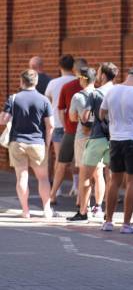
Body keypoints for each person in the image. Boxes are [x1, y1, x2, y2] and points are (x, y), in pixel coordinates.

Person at [100, 67, 133, 233]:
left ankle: (108, 221)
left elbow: (101, 114)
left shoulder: (112, 90)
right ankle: (127, 224)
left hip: (115, 140)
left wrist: (115, 120)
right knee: (132, 181)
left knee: (114, 180)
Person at [0, 70, 54, 218]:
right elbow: (51, 125)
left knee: (22, 177)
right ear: (36, 82)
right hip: (38, 142)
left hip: (17, 142)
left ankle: (25, 211)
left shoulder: (14, 98)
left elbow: (3, 120)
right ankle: (47, 209)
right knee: (43, 178)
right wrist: (47, 144)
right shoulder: (44, 100)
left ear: (21, 81)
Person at [77, 62, 118, 220]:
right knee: (110, 177)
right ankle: (107, 213)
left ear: (103, 75)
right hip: (114, 138)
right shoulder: (119, 92)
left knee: (87, 175)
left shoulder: (95, 94)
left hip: (97, 137)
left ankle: (83, 211)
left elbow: (85, 117)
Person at [50, 58, 88, 204]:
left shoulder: (67, 86)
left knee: (62, 163)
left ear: (74, 70)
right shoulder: (94, 87)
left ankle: (52, 195)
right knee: (88, 166)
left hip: (70, 131)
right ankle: (82, 200)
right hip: (88, 132)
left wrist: (66, 125)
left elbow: (61, 109)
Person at [66, 67, 98, 222]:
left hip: (83, 137)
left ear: (84, 79)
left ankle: (83, 209)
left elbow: (72, 117)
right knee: (99, 174)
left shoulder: (78, 96)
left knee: (84, 173)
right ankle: (98, 207)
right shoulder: (102, 93)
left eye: (80, 78)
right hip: (100, 137)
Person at [45, 55, 76, 203]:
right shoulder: (79, 81)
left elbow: (48, 100)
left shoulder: (53, 83)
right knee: (79, 159)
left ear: (60, 67)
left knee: (60, 159)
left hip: (58, 124)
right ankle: (76, 186)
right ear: (73, 66)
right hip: (76, 125)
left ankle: (57, 190)